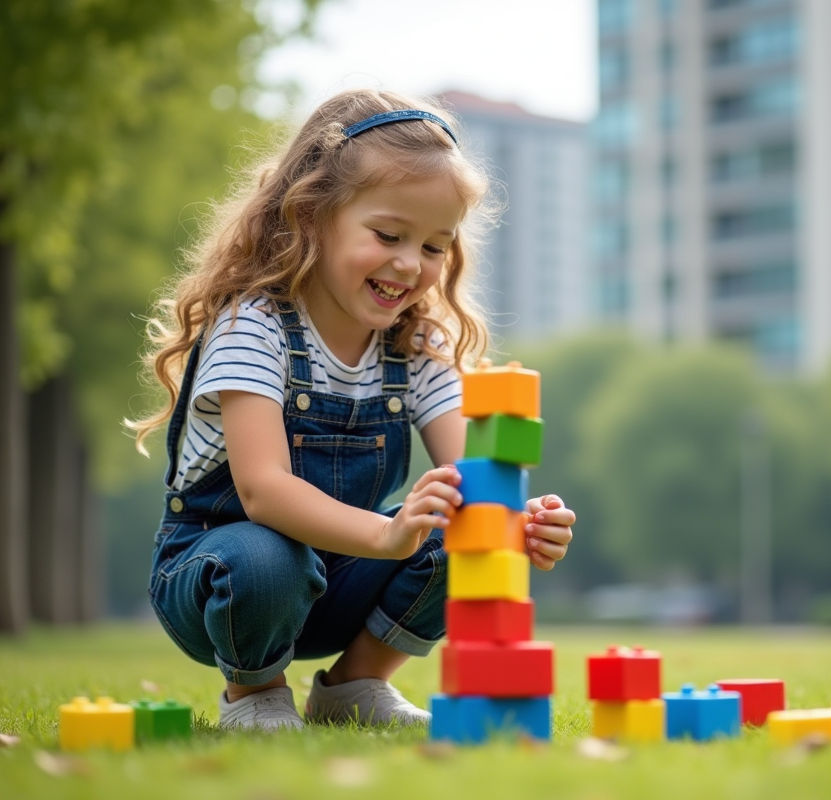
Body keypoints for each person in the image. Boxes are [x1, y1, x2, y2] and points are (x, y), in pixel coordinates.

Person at [127, 89, 576, 732]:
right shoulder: (253, 327)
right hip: (222, 580)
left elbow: (474, 475)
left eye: (433, 246)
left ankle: (354, 685)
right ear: (311, 217)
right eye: (389, 234)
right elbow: (263, 492)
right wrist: (388, 536)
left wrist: (522, 522)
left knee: (471, 533)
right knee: (266, 555)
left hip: (343, 579)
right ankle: (255, 690)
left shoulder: (417, 345)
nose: (409, 264)